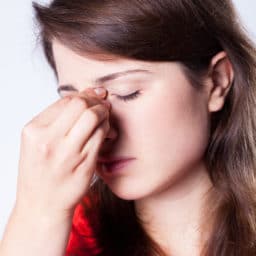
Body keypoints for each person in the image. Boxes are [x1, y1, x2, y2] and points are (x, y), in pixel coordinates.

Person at [0, 0, 256, 255]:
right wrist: (36, 215)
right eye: (75, 101)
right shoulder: (62, 232)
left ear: (217, 81)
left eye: (127, 93)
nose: (102, 130)